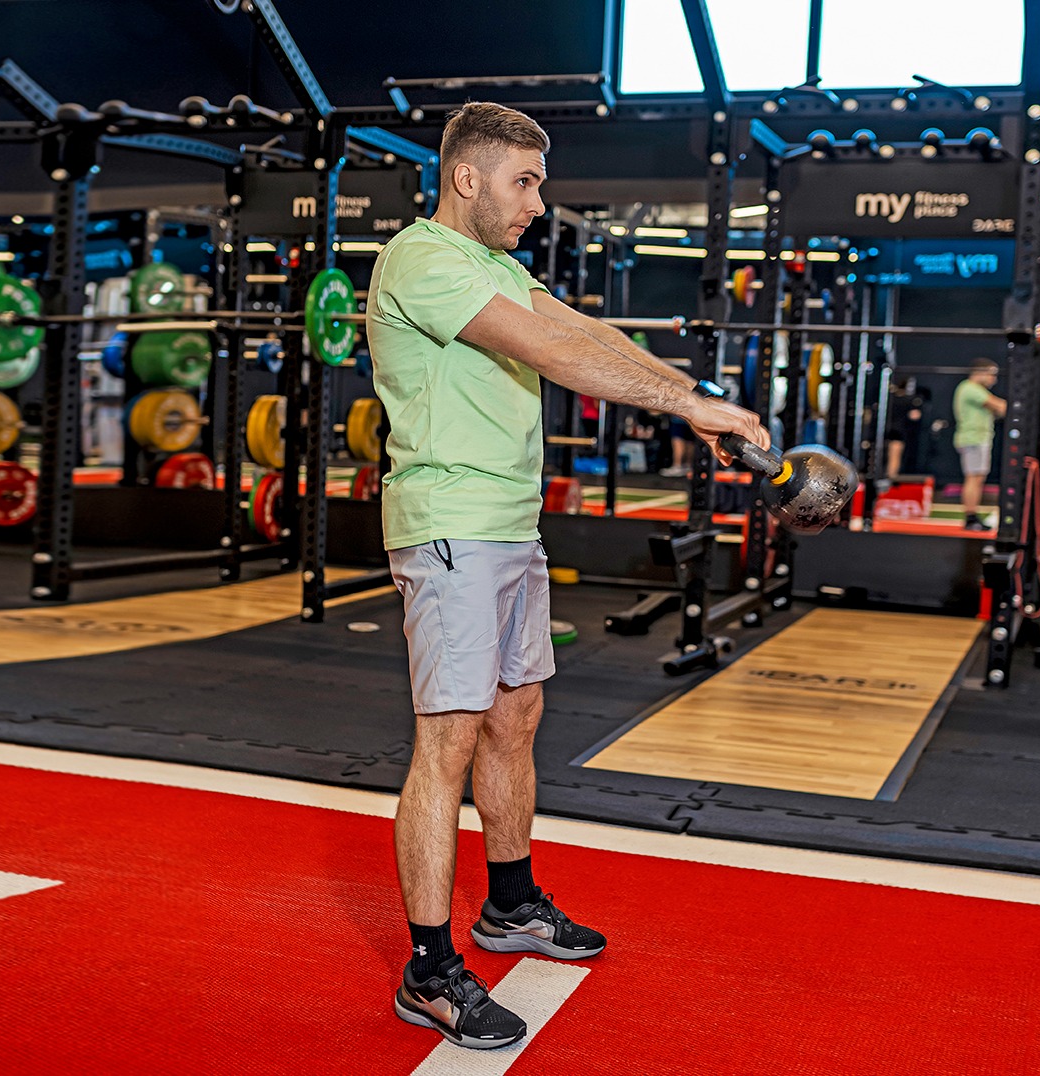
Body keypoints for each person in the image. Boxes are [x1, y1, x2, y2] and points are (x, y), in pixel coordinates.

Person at [365, 101, 769, 1051]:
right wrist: (682, 405)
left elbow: (587, 333)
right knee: (449, 741)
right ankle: (428, 969)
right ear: (467, 177)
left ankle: (508, 906)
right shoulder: (421, 259)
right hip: (450, 526)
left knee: (517, 717)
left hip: (509, 526)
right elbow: (551, 355)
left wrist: (699, 401)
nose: (538, 203)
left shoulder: (496, 264)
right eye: (525, 182)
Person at [952, 358, 1006, 530]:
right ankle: (970, 517)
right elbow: (1000, 406)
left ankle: (972, 516)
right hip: (973, 439)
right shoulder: (971, 388)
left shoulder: (974, 389)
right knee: (973, 478)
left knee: (978, 478)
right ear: (980, 372)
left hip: (978, 438)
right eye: (991, 374)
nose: (993, 379)